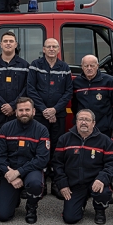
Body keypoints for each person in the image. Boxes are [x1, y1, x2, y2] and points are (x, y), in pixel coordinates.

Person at [52, 109, 113, 225]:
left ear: (93, 123)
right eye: (81, 119)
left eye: (87, 120)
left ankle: (100, 209)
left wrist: (102, 179)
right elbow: (57, 164)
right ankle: (80, 202)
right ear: (76, 122)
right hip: (75, 184)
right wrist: (62, 184)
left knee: (103, 192)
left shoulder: (105, 141)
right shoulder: (64, 139)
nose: (83, 122)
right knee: (70, 219)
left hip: (95, 182)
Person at [0, 31, 29, 197]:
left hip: (18, 114)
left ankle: (22, 182)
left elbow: (27, 88)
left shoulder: (24, 65)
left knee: (20, 148)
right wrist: (3, 105)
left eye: (11, 41)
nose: (8, 44)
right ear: (1, 45)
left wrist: (13, 106)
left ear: (16, 44)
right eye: (6, 41)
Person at [27, 38, 73, 198]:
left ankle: (55, 182)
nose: (52, 49)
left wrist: (54, 110)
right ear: (43, 49)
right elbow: (30, 89)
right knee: (40, 147)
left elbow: (68, 92)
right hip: (40, 115)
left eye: (54, 46)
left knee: (56, 149)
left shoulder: (64, 67)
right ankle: (40, 182)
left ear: (58, 49)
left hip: (58, 115)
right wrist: (45, 110)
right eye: (49, 47)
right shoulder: (35, 65)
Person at [0, 97, 50, 224]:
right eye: (21, 110)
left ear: (34, 111)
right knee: (2, 215)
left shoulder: (42, 130)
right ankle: (15, 197)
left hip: (31, 171)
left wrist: (18, 172)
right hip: (10, 170)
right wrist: (10, 175)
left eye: (27, 110)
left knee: (35, 183)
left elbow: (42, 159)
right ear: (16, 112)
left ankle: (31, 207)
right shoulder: (6, 128)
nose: (24, 113)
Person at [72, 54, 113, 137]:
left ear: (97, 66)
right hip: (83, 128)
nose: (89, 68)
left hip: (104, 128)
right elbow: (74, 106)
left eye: (92, 65)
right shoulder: (76, 82)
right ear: (82, 67)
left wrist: (112, 125)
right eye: (86, 66)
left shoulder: (109, 81)